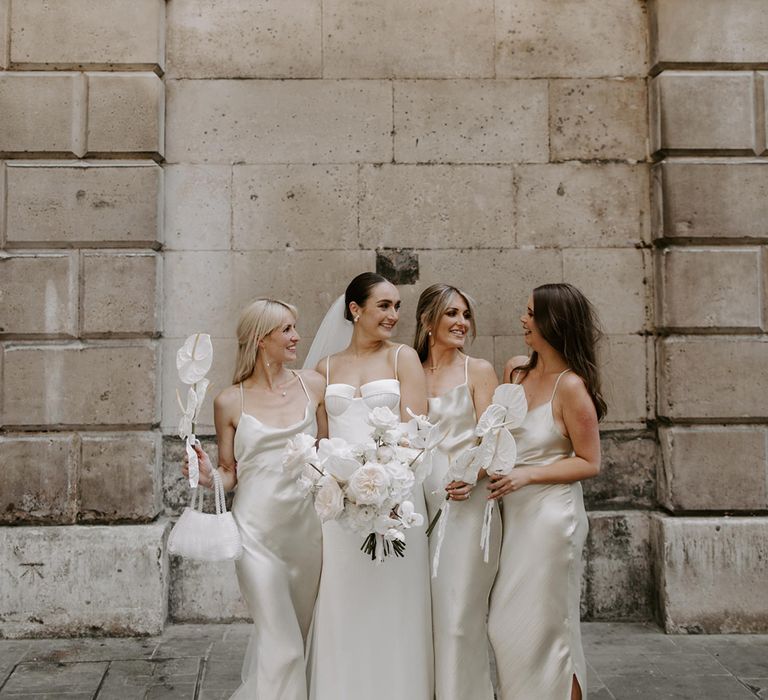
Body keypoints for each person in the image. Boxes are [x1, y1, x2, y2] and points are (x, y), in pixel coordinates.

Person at [182, 298, 326, 700]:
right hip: (256, 534)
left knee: (300, 635)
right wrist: (210, 474)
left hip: (308, 532)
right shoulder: (230, 401)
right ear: (262, 340)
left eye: (295, 327)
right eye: (287, 330)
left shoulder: (313, 385)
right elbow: (230, 475)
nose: (297, 337)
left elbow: (329, 453)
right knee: (281, 646)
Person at [305, 272, 434, 700]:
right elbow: (321, 441)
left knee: (395, 601)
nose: (394, 315)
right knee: (345, 601)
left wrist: (382, 481)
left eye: (397, 306)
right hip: (340, 504)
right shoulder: (324, 368)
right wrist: (340, 482)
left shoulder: (403, 359)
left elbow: (415, 433)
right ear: (355, 310)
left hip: (396, 496)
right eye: (384, 305)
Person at [487, 283, 606, 700]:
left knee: (551, 628)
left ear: (553, 323)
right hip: (514, 518)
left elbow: (589, 461)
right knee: (504, 626)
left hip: (552, 519)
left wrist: (527, 475)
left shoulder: (571, 387)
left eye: (531, 313)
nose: (523, 319)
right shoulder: (515, 372)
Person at [415, 284, 500, 700]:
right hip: (414, 510)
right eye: (451, 314)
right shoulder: (407, 369)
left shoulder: (478, 371)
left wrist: (471, 473)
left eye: (465, 315)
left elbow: (496, 442)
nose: (461, 323)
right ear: (428, 321)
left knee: (458, 616)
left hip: (466, 508)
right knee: (422, 618)